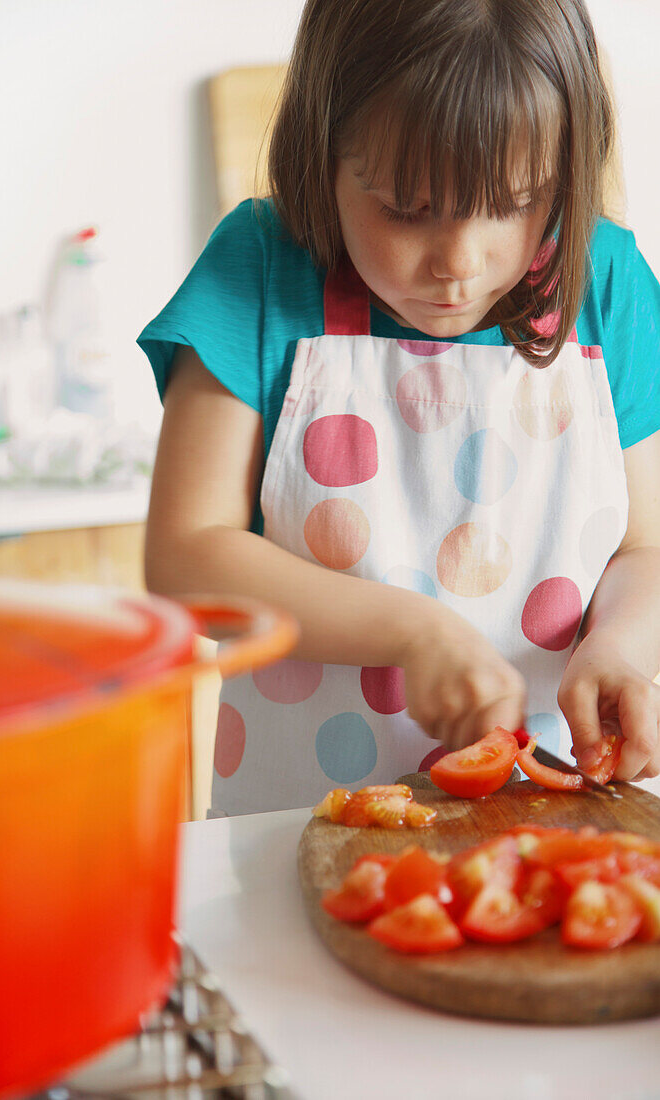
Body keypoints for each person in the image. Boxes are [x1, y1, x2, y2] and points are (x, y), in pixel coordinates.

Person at [139, 0, 660, 817]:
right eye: (407, 209)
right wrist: (414, 633)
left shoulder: (610, 284)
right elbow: (184, 561)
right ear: (322, 155)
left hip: (555, 811)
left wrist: (623, 643)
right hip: (297, 818)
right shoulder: (260, 270)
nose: (459, 262)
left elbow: (645, 547)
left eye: (516, 202)